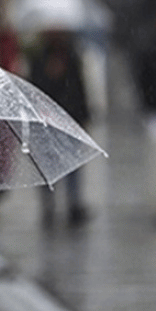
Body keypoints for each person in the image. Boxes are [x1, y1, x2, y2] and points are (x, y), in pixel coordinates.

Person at [28, 32, 91, 225]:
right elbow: (35, 89)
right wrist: (49, 75)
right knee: (47, 166)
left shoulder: (72, 56)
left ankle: (74, 205)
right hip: (47, 121)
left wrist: (83, 114)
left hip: (69, 118)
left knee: (72, 165)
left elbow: (78, 87)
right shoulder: (39, 59)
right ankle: (49, 207)